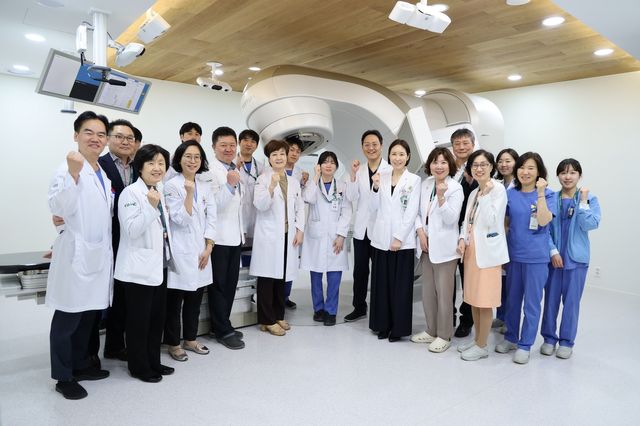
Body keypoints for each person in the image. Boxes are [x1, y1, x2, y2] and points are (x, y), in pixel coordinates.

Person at [46, 111, 113, 400]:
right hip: (76, 256)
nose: (95, 138)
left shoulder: (101, 172)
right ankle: (63, 377)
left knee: (88, 317)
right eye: (89, 132)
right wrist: (73, 174)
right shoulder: (67, 168)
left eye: (101, 134)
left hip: (97, 256)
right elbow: (59, 208)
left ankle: (82, 365)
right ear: (76, 135)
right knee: (68, 318)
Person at [115, 144, 175, 383]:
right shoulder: (130, 193)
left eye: (161, 163)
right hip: (138, 268)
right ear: (140, 167)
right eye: (151, 163)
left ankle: (153, 361)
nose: (157, 168)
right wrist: (150, 207)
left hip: (159, 265)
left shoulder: (158, 190)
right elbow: (131, 230)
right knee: (139, 321)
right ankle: (139, 367)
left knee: (156, 319)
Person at [495, 152, 556, 364]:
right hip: (514, 256)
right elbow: (504, 223)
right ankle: (511, 338)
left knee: (531, 304)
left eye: (531, 168)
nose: (525, 172)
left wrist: (540, 193)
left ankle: (525, 344)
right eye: (522, 167)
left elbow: (543, 220)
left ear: (539, 172)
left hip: (537, 258)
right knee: (512, 301)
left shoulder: (549, 195)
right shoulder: (510, 194)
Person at [540, 159, 601, 359]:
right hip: (554, 260)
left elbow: (590, 224)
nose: (567, 177)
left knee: (572, 303)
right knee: (550, 302)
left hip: (576, 261)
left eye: (572, 172)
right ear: (558, 175)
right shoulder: (551, 198)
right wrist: (553, 251)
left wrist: (582, 202)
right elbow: (544, 228)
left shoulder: (590, 198)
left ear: (579, 176)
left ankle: (566, 342)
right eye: (563, 173)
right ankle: (549, 338)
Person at [163, 141, 216, 362]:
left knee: (194, 301)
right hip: (180, 252)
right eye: (188, 156)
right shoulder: (171, 186)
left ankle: (191, 340)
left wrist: (209, 247)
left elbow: (212, 218)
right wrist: (188, 193)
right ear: (179, 159)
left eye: (197, 157)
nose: (193, 161)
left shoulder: (205, 185)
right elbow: (180, 219)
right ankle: (174, 344)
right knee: (175, 303)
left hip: (202, 252)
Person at [456, 150, 509, 361]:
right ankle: (478, 339)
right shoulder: (474, 192)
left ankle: (482, 346)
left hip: (488, 253)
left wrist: (486, 195)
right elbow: (466, 220)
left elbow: (491, 220)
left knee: (484, 300)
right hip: (471, 251)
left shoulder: (497, 189)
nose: (479, 169)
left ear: (491, 167)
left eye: (483, 164)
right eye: (475, 165)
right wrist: (462, 238)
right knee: (473, 299)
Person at [411, 147, 463, 353]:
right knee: (428, 293)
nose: (439, 166)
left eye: (443, 162)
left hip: (445, 249)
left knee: (444, 294)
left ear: (450, 165)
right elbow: (416, 212)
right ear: (429, 165)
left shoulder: (455, 188)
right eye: (435, 162)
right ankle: (431, 330)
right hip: (426, 246)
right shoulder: (426, 184)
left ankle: (444, 334)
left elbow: (451, 219)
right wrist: (421, 233)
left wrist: (441, 198)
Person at [251, 139, 305, 335]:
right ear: (269, 159)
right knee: (267, 279)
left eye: (282, 153)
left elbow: (300, 207)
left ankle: (279, 315)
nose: (279, 157)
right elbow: (261, 205)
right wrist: (271, 186)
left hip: (288, 235)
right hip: (269, 237)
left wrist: (300, 230)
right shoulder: (263, 179)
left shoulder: (293, 181)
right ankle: (267, 320)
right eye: (274, 154)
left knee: (281, 277)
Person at [369, 139, 421, 341]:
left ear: (408, 157)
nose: (397, 158)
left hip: (403, 242)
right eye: (394, 154)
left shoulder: (414, 180)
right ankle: (382, 325)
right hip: (381, 239)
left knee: (400, 288)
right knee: (381, 285)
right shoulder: (381, 176)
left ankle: (398, 329)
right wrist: (374, 187)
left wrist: (399, 238)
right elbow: (374, 207)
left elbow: (411, 212)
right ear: (388, 156)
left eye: (401, 154)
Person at [344, 130, 391, 322]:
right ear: (362, 147)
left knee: (380, 272)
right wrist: (353, 175)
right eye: (367, 145)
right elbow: (351, 196)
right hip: (361, 229)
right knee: (360, 271)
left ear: (381, 146)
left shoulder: (389, 170)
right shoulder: (359, 170)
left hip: (380, 228)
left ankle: (380, 309)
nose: (371, 148)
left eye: (374, 144)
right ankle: (359, 307)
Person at [300, 151, 352, 326]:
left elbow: (347, 212)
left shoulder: (342, 186)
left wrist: (341, 235)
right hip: (316, 235)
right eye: (325, 162)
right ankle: (318, 309)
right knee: (315, 275)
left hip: (335, 236)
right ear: (319, 166)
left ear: (336, 166)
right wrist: (315, 177)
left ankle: (331, 311)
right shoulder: (312, 184)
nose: (328, 165)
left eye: (332, 162)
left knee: (334, 276)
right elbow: (307, 198)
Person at [101, 119, 138, 362]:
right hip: (109, 238)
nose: (125, 141)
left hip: (133, 238)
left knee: (125, 294)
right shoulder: (100, 165)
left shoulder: (138, 166)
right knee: (108, 294)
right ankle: (105, 347)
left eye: (129, 138)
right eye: (119, 136)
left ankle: (117, 345)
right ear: (109, 139)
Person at [207, 126, 246, 349]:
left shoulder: (233, 169)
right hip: (218, 238)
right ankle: (221, 329)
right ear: (214, 147)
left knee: (230, 284)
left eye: (232, 145)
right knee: (220, 286)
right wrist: (230, 185)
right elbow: (213, 206)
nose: (229, 149)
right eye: (223, 145)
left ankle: (223, 324)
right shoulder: (209, 171)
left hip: (234, 237)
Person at [450, 128, 478, 338]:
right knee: (446, 278)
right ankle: (447, 314)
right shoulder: (447, 167)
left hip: (468, 232)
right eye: (457, 143)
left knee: (467, 278)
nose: (461, 147)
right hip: (447, 231)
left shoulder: (479, 168)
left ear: (473, 144)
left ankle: (466, 320)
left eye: (465, 143)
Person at [492, 148, 519, 332]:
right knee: (500, 279)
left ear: (516, 162)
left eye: (508, 161)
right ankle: (501, 316)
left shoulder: (520, 186)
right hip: (497, 237)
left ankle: (510, 320)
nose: (503, 164)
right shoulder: (496, 184)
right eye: (500, 161)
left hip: (513, 237)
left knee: (512, 281)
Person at [282, 138, 308, 309]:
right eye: (291, 150)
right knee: (277, 262)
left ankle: (285, 296)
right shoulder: (274, 170)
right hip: (278, 223)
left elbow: (302, 200)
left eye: (298, 151)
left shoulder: (300, 174)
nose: (294, 154)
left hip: (293, 224)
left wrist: (304, 183)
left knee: (291, 262)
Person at [236, 129, 264, 267]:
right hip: (237, 217)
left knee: (251, 253)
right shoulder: (231, 164)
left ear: (256, 146)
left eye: (253, 141)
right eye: (245, 140)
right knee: (235, 254)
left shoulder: (261, 167)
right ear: (239, 142)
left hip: (254, 216)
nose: (249, 144)